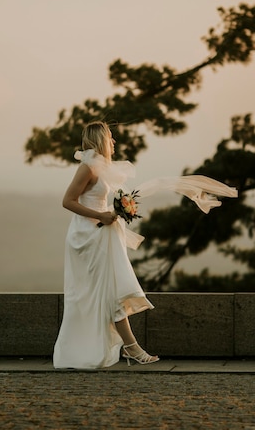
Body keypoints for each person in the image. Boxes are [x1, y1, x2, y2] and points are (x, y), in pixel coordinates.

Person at [53, 121, 159, 369]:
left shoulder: (102, 167)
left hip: (103, 233)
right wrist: (100, 215)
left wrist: (116, 210)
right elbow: (67, 201)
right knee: (102, 292)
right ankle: (132, 348)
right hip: (87, 236)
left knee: (110, 291)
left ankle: (130, 347)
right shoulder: (86, 168)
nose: (113, 142)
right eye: (110, 137)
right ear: (100, 139)